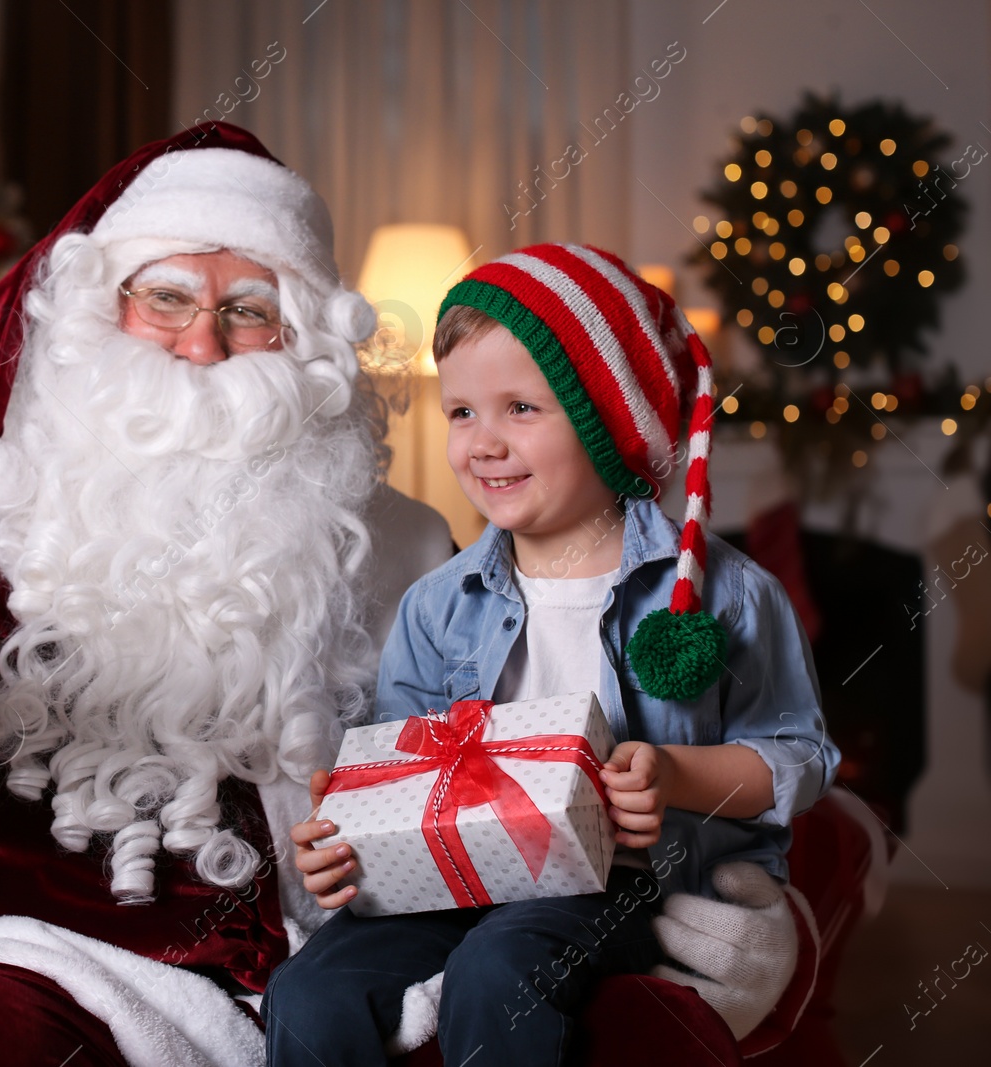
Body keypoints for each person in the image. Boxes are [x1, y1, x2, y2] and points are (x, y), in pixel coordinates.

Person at [0, 122, 812, 1067]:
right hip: (32, 961)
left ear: (307, 345)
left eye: (249, 310)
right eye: (167, 299)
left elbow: (550, 772)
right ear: (94, 311)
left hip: (344, 964)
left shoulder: (411, 548)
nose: (203, 344)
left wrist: (722, 912)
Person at [263, 244, 839, 1066]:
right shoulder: (437, 603)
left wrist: (675, 776)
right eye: (461, 412)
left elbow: (799, 757)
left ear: (610, 420)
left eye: (520, 409)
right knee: (308, 990)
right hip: (460, 869)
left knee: (503, 966)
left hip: (622, 880)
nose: (482, 443)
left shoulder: (723, 593)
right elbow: (404, 772)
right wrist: (352, 829)